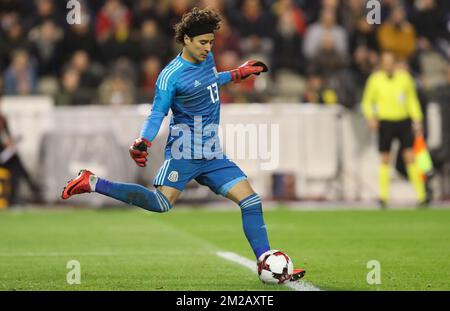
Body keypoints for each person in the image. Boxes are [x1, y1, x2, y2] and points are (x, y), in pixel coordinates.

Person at [61, 7, 305, 281]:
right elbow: (157, 113)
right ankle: (92, 182)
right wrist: (143, 140)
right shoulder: (170, 76)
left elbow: (209, 81)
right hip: (184, 151)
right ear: (186, 39)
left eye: (211, 42)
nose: (208, 48)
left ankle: (265, 261)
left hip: (212, 152)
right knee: (161, 203)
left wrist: (237, 73)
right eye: (203, 42)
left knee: (251, 201)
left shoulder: (207, 58)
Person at [361, 51, 429, 208]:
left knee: (410, 157)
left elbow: (412, 100)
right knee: (385, 158)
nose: (389, 65)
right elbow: (367, 101)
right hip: (385, 122)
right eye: (386, 62)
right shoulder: (375, 80)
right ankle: (383, 197)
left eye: (391, 62)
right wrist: (371, 117)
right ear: (382, 64)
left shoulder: (404, 78)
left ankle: (421, 196)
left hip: (403, 121)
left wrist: (417, 118)